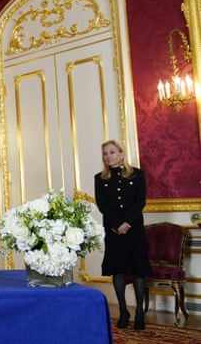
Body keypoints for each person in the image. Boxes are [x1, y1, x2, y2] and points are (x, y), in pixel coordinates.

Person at [94, 140, 152, 331]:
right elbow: (103, 205)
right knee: (118, 271)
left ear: (121, 154)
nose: (108, 156)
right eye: (105, 153)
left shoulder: (137, 174)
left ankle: (140, 313)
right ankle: (123, 311)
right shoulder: (100, 178)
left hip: (134, 230)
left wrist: (126, 223)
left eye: (111, 152)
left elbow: (140, 201)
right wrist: (117, 225)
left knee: (137, 271)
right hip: (113, 231)